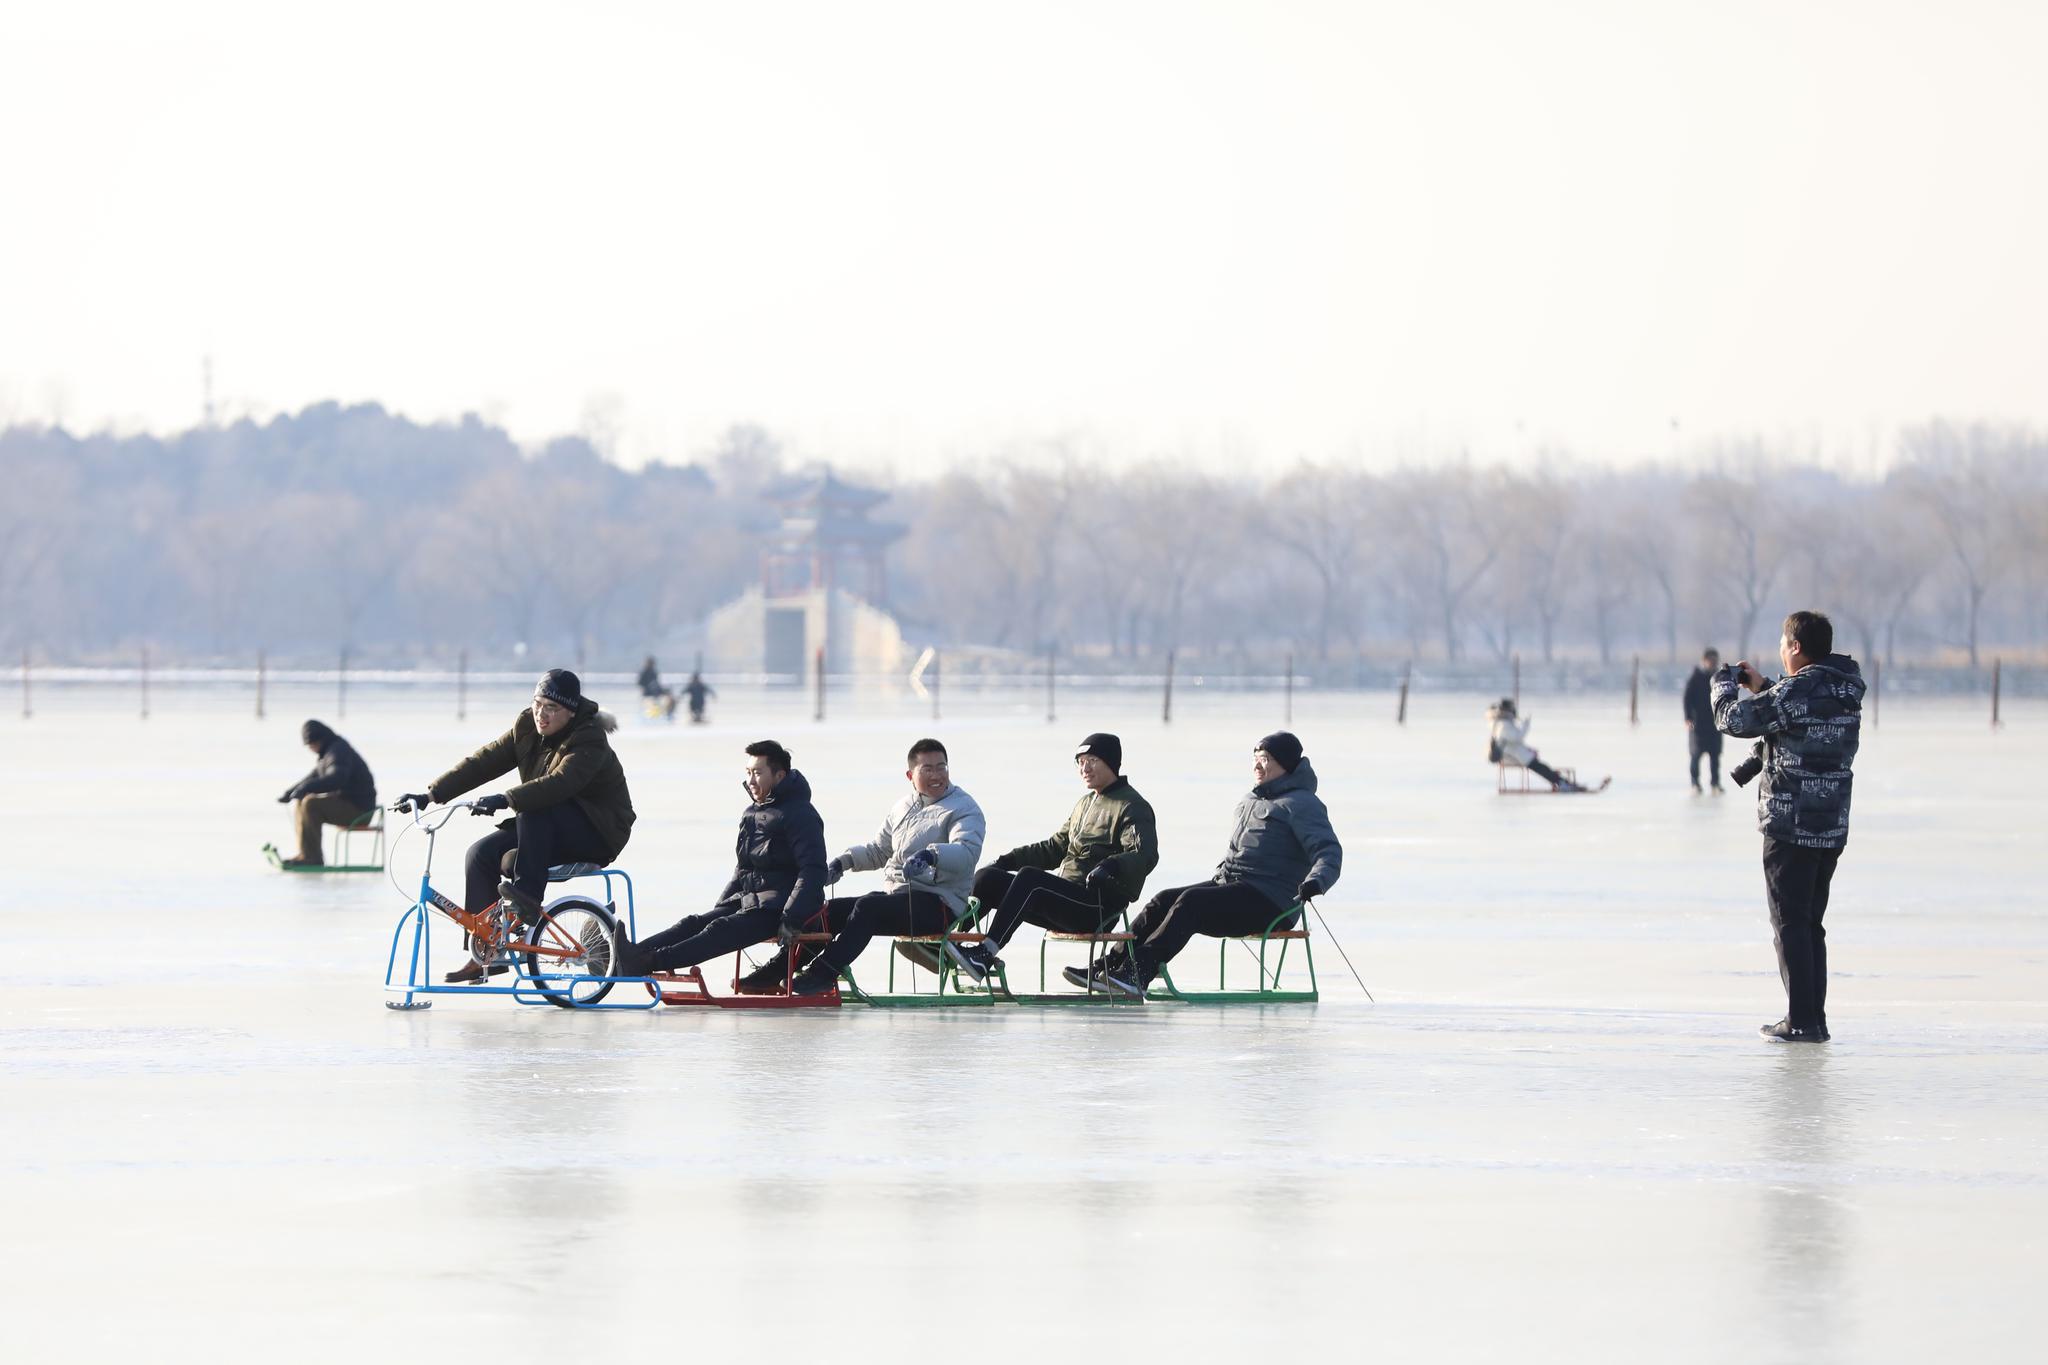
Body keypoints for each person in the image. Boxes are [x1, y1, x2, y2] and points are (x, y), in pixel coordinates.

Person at [395, 669, 636, 983]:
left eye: (551, 709)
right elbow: (485, 760)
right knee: (480, 854)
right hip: (545, 824)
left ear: (571, 712)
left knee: (532, 807)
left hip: (597, 831)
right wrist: (431, 794)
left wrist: (505, 798)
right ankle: (487, 951)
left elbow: (559, 784)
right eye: (538, 704)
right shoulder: (527, 727)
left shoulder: (589, 738)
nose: (541, 715)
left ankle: (527, 899)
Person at [1080, 732, 1340, 998]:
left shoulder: (1303, 804)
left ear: (1285, 764)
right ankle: (1112, 966)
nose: (1257, 765)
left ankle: (1138, 972)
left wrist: (1316, 881)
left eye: (1265, 759)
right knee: (1163, 900)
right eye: (1255, 758)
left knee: (1192, 902)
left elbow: (1329, 851)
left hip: (1272, 901)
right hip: (1235, 886)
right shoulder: (1251, 800)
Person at [1714, 610, 1864, 1043]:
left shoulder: (1798, 690)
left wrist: (1723, 686)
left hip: (1790, 822)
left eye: (1783, 643)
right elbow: (1800, 705)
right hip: (1830, 823)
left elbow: (1734, 721)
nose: (1781, 649)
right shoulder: (1843, 686)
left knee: (1789, 925)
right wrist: (1762, 686)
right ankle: (1812, 1019)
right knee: (1810, 924)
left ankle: (1801, 1022)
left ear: (1795, 647)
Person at [746, 738, 985, 996]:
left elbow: (966, 852)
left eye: (942, 767)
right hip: (900, 897)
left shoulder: (963, 808)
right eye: (928, 769)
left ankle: (823, 974)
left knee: (868, 907)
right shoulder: (904, 807)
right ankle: (778, 971)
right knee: (827, 911)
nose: (937, 775)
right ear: (910, 774)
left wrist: (931, 856)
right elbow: (879, 850)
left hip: (939, 904)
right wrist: (843, 862)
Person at [946, 732, 1157, 985]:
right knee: (988, 878)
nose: (1084, 768)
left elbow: (1144, 855)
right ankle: (951, 942)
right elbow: (1055, 848)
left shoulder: (1132, 806)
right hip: (1064, 900)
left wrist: (1112, 865)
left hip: (1096, 907)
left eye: (1092, 760)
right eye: (1080, 761)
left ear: (1111, 762)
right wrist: (1007, 860)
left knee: (1030, 880)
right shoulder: (1085, 803)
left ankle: (985, 953)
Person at [613, 741, 827, 980]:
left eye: (758, 773)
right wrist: (723, 905)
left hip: (781, 909)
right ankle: (631, 953)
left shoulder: (800, 814)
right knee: (694, 923)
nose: (751, 780)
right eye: (748, 773)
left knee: (719, 929)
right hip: (752, 901)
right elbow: (743, 867)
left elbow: (813, 870)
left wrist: (792, 917)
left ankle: (646, 962)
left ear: (779, 775)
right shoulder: (752, 813)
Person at [276, 719, 376, 867]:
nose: (310, 748)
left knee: (311, 803)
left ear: (319, 740)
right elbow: (313, 776)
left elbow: (337, 778)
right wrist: (291, 792)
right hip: (347, 804)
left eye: (311, 744)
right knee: (301, 800)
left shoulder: (338, 751)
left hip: (359, 811)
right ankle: (306, 853)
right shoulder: (328, 753)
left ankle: (313, 858)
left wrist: (307, 788)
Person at [1487, 698, 1605, 792]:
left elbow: (1513, 742)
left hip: (1517, 755)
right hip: (1515, 757)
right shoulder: (1503, 725)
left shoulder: (1500, 723)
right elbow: (1517, 737)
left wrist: (1528, 749)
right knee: (1543, 768)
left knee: (1544, 768)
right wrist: (1525, 725)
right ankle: (1562, 783)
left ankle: (1563, 783)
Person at [1683, 648, 1725, 793]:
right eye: (1710, 661)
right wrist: (1687, 718)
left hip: (1715, 724)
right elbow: (1687, 698)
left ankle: (1715, 783)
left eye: (1715, 661)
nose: (1713, 664)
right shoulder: (1696, 677)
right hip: (1698, 724)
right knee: (1695, 756)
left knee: (1715, 757)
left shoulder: (1719, 677)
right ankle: (1695, 783)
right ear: (1704, 661)